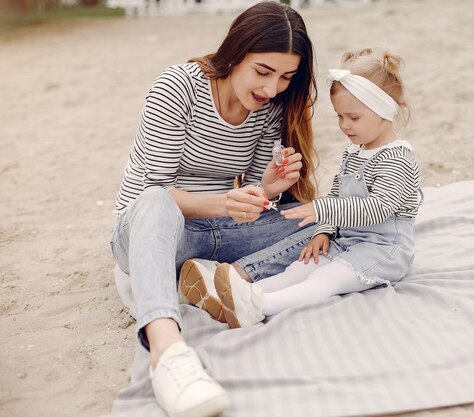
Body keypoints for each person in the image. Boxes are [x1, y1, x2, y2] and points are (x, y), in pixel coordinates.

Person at [109, 2, 318, 417]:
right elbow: (157, 190)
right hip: (149, 231)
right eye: (263, 71)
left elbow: (251, 199)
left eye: (285, 77)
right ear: (235, 51)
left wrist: (268, 189)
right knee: (154, 201)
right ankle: (167, 352)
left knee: (319, 219)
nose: (273, 88)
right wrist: (225, 202)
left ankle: (221, 279)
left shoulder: (269, 108)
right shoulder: (178, 87)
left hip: (217, 232)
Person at [184, 48, 423, 329]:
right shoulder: (355, 151)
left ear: (384, 111)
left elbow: (379, 207)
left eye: (353, 117)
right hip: (349, 241)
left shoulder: (397, 157)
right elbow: (337, 193)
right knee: (302, 266)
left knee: (326, 279)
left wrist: (322, 209)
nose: (344, 125)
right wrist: (323, 229)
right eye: (339, 116)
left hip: (383, 250)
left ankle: (259, 306)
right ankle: (238, 295)